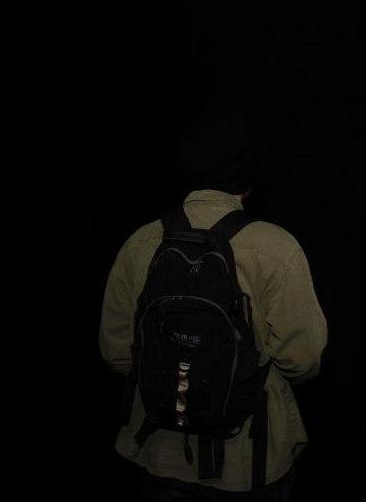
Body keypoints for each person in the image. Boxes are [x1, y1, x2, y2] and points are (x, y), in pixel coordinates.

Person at [99, 112, 328, 500]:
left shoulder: (140, 243)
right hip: (247, 460)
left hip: (157, 451)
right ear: (247, 180)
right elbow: (302, 360)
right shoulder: (277, 248)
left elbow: (117, 354)